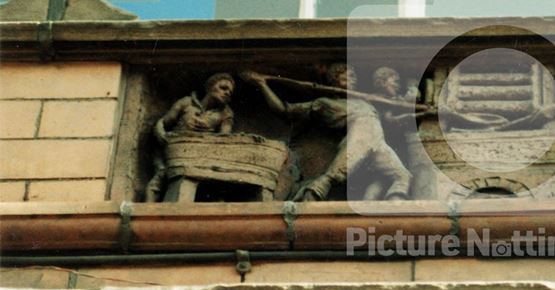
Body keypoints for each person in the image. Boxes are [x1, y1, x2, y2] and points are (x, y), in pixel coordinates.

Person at [243, 64, 411, 201]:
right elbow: (284, 110)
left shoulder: (366, 101)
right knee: (335, 175)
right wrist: (261, 84)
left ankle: (393, 206)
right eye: (348, 75)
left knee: (402, 176)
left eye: (354, 75)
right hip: (360, 138)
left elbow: (390, 119)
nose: (354, 78)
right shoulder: (326, 104)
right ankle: (309, 198)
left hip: (378, 143)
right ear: (335, 80)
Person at [144, 73, 235, 202]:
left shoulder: (225, 113)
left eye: (230, 92)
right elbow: (163, 123)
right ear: (210, 87)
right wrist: (162, 135)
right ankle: (148, 211)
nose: (227, 93)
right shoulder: (187, 102)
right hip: (173, 150)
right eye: (223, 88)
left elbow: (225, 137)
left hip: (200, 154)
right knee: (161, 175)